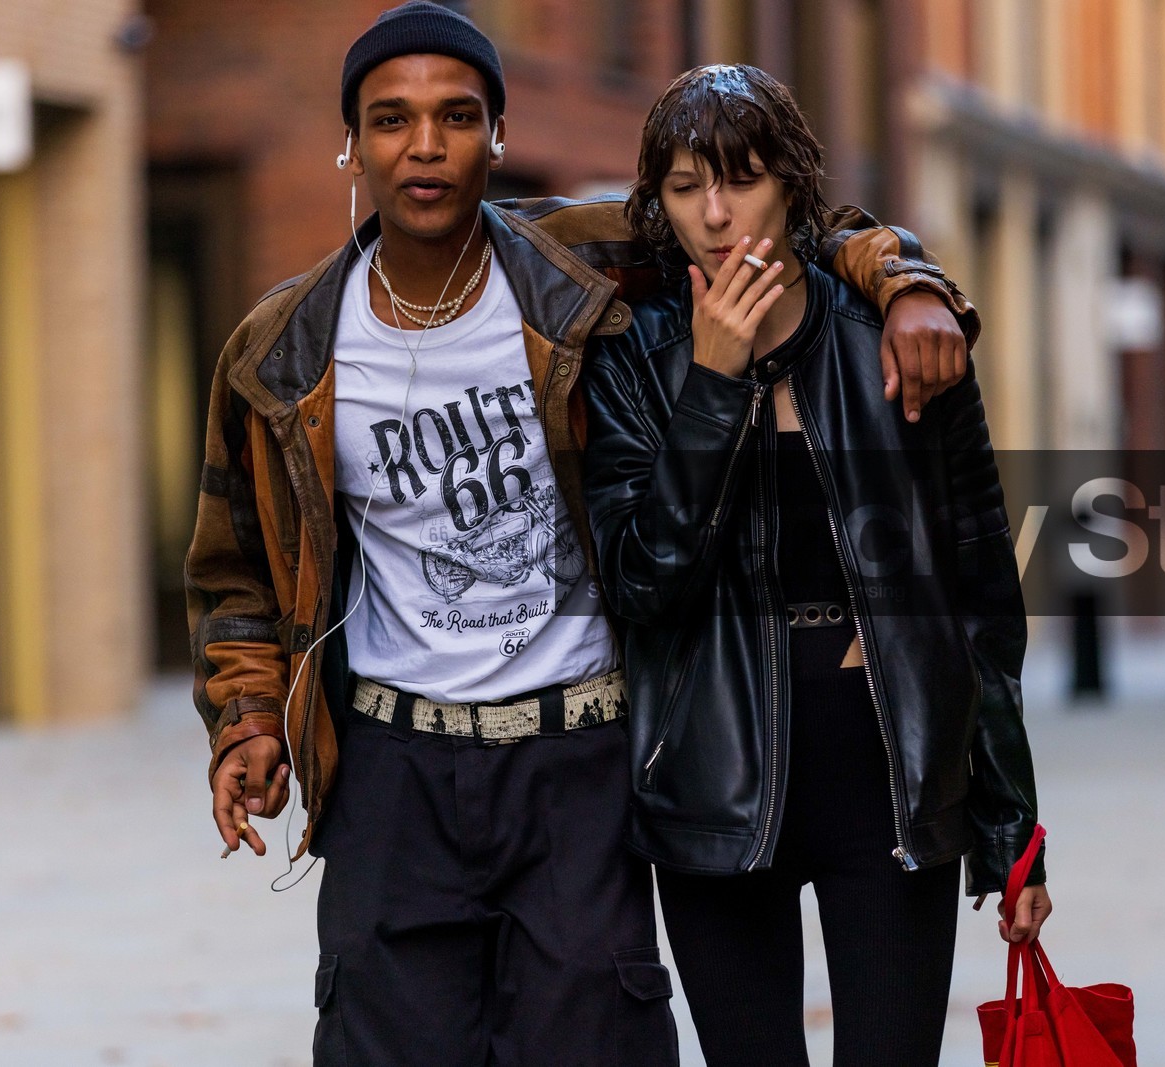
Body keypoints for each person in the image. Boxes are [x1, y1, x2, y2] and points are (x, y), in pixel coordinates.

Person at [185, 5, 981, 1063]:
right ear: (353, 142)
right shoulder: (282, 349)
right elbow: (232, 559)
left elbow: (775, 216)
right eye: (391, 120)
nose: (425, 146)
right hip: (391, 772)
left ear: (497, 136)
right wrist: (247, 720)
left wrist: (905, 279)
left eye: (456, 116)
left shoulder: (584, 266)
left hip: (578, 757)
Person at [582, 64, 1052, 1066]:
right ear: (656, 202)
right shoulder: (631, 362)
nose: (714, 213)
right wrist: (711, 385)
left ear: (793, 182)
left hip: (883, 771)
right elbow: (639, 584)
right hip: (714, 779)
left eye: (741, 178)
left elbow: (979, 591)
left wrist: (1012, 824)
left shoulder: (900, 342)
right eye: (681, 186)